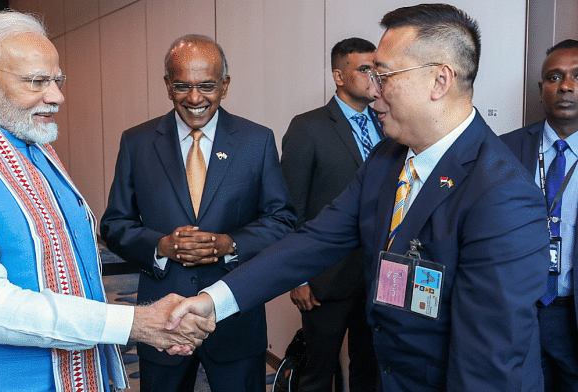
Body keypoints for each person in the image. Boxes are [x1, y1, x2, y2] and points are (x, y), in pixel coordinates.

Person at [170, 4, 550, 391]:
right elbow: (315, 240)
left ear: (440, 80)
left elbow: (487, 367)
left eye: (383, 75)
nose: (373, 91)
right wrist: (214, 300)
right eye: (370, 75)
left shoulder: (503, 197)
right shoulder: (387, 159)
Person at [0, 11, 213, 391]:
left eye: (56, 80)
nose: (57, 97)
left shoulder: (31, 147)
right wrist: (136, 323)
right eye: (37, 81)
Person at [100, 34, 296, 391]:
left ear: (225, 85)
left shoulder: (257, 140)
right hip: (162, 320)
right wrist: (160, 246)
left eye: (207, 86)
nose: (194, 98)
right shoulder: (137, 141)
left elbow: (281, 220)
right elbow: (114, 224)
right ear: (166, 85)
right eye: (182, 86)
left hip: (235, 315)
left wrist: (229, 244)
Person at [281, 37, 380, 392]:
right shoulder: (308, 127)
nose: (374, 77)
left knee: (370, 371)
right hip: (325, 278)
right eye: (365, 69)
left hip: (378, 276)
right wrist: (298, 277)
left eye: (378, 69)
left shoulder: (387, 123)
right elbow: (290, 207)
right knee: (317, 375)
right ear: (339, 76)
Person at [501, 39, 578, 391]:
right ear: (541, 89)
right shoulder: (504, 149)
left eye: (577, 76)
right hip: (518, 308)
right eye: (554, 77)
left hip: (571, 312)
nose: (565, 86)